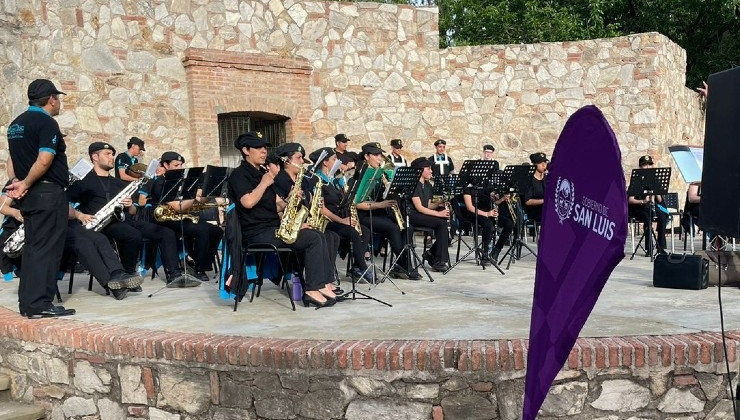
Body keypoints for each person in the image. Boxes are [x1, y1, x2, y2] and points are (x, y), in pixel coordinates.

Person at [227, 132, 337, 308]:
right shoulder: (239, 175)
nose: (264, 151)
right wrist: (264, 183)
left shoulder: (262, 172)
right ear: (246, 150)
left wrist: (290, 200)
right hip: (256, 233)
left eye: (265, 148)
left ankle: (322, 283)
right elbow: (247, 203)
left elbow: (274, 205)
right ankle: (311, 289)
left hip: (273, 227)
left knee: (316, 233)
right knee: (312, 239)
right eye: (258, 148)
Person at [67, 142, 200, 287]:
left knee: (166, 232)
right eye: (107, 154)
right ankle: (128, 275)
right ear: (95, 157)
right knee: (132, 234)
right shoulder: (83, 182)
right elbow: (65, 203)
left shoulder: (118, 183)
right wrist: (80, 215)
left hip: (123, 220)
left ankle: (174, 276)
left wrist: (130, 204)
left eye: (112, 154)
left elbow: (134, 211)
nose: (112, 157)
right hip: (101, 224)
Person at [5, 79, 75, 319]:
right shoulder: (47, 123)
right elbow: (44, 159)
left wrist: (17, 182)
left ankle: (29, 303)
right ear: (51, 99)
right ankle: (40, 303)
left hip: (30, 195)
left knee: (34, 247)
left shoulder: (16, 124)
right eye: (58, 98)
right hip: (47, 193)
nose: (59, 103)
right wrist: (24, 183)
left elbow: (12, 160)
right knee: (48, 249)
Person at [148, 151, 224, 281]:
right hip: (166, 219)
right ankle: (198, 269)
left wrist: (206, 193)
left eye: (181, 164)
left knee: (216, 231)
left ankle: (202, 264)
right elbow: (178, 206)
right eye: (176, 165)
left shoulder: (184, 181)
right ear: (165, 165)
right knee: (202, 230)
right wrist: (195, 196)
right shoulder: (161, 182)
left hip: (182, 217)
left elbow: (198, 202)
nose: (180, 168)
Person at [309, 147, 372, 282]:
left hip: (339, 217)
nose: (337, 162)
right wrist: (342, 220)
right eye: (333, 159)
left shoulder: (333, 179)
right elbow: (321, 209)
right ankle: (362, 267)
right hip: (328, 221)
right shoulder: (317, 180)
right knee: (353, 233)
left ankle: (355, 268)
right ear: (325, 162)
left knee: (365, 231)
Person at [354, 142, 414, 279]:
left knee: (405, 227)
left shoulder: (378, 173)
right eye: (376, 155)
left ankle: (402, 265)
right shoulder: (360, 174)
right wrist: (380, 205)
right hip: (362, 215)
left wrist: (390, 188)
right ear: (366, 156)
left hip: (377, 212)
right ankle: (402, 265)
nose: (380, 158)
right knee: (392, 228)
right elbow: (357, 204)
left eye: (380, 155)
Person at [408, 157, 450, 272]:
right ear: (420, 170)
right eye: (428, 169)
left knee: (444, 224)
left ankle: (432, 253)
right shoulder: (413, 184)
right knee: (441, 223)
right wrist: (439, 214)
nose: (431, 171)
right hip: (412, 215)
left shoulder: (428, 185)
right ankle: (439, 260)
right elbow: (420, 208)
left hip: (422, 214)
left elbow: (427, 205)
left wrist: (438, 205)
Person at [628, 155, 667, 254]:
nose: (648, 167)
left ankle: (661, 247)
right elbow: (630, 200)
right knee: (647, 217)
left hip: (649, 206)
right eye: (645, 165)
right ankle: (649, 248)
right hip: (637, 208)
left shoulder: (655, 179)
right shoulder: (636, 180)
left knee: (662, 216)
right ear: (640, 167)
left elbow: (659, 199)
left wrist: (655, 192)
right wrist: (643, 201)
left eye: (649, 165)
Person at [522, 152, 548, 224]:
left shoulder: (547, 179)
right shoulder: (529, 180)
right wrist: (544, 201)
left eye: (545, 162)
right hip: (534, 211)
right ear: (534, 165)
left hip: (546, 209)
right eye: (540, 163)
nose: (544, 165)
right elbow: (527, 201)